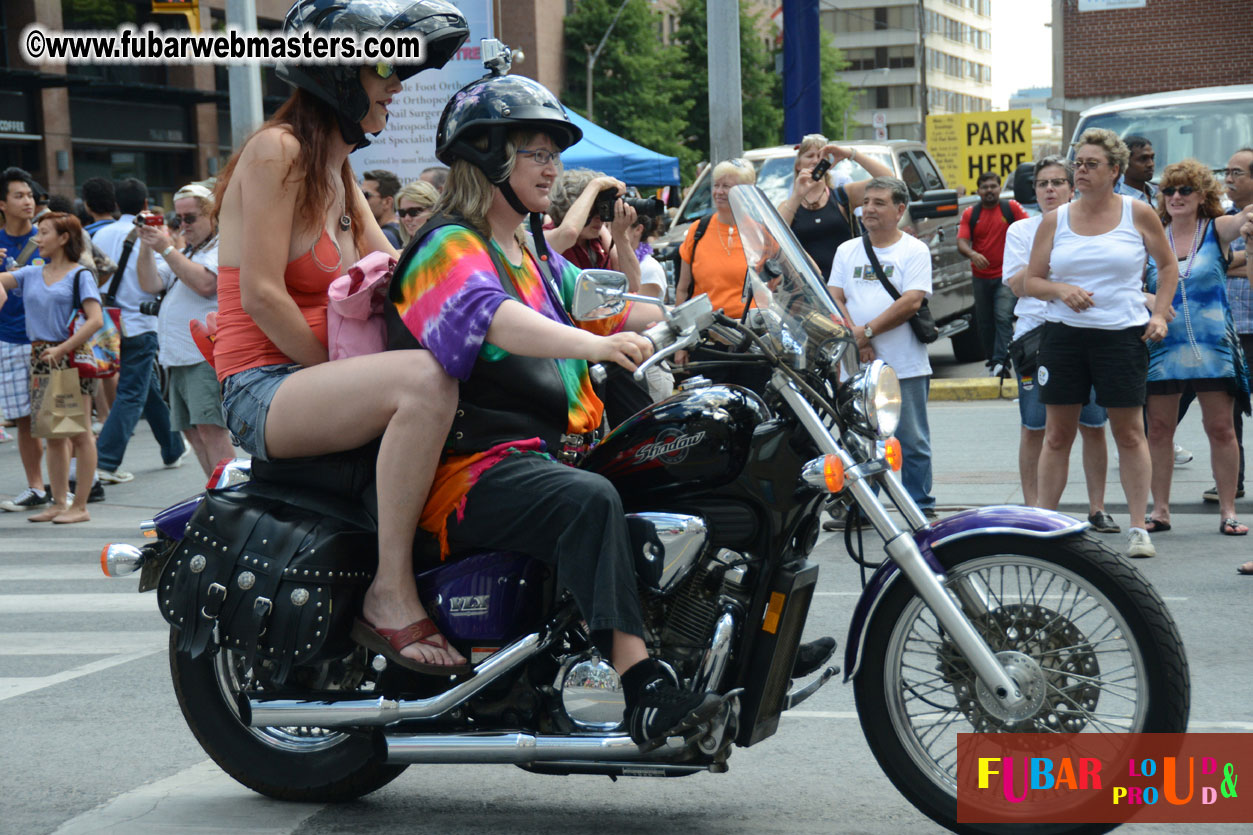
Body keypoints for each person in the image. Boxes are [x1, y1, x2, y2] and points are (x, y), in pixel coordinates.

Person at [390, 69, 726, 745]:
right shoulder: (447, 244)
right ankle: (642, 687)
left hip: (540, 453)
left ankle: (722, 647)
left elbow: (603, 305)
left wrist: (702, 316)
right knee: (591, 498)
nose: (555, 168)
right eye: (538, 153)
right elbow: (494, 320)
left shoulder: (531, 252)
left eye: (555, 153)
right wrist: (597, 348)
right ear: (487, 154)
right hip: (472, 467)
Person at [210, 0, 469, 673]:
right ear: (336, 70)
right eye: (384, 67)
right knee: (424, 381)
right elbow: (261, 295)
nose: (397, 84)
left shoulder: (341, 172)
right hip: (266, 383)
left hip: (317, 378)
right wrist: (342, 366)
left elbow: (403, 272)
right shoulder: (278, 151)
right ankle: (388, 592)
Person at [1024, 128, 1178, 559]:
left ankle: (1136, 527)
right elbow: (1031, 281)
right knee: (1057, 434)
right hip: (1063, 338)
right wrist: (1061, 289)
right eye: (1078, 164)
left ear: (1115, 171)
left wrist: (1160, 314)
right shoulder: (1055, 219)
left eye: (1091, 164)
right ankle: (1044, 526)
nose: (1081, 171)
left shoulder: (1138, 212)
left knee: (1129, 432)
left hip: (1121, 335)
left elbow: (1167, 268)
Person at [1003, 156, 1117, 533]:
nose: (1049, 190)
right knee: (1035, 427)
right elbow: (1017, 284)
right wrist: (1058, 266)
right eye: (1042, 184)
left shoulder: (1092, 227)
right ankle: (1034, 510)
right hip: (1035, 337)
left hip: (1090, 331)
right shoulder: (1021, 231)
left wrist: (1046, 269)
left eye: (1057, 183)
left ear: (1072, 187)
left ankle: (1097, 507)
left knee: (1093, 423)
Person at [1141, 160, 1252, 537]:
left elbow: (1242, 220)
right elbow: (1127, 281)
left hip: (1214, 345)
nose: (1175, 197)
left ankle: (1228, 511)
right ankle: (1160, 510)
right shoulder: (1153, 234)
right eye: (1169, 191)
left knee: (1221, 427)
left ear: (1202, 196)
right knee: (1158, 430)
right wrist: (1147, 300)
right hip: (1163, 347)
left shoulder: (1216, 229)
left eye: (1185, 190)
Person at [828, 176, 936, 518]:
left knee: (912, 439)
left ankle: (919, 506)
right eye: (867, 202)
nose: (869, 209)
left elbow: (911, 302)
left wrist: (867, 332)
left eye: (879, 203)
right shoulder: (847, 250)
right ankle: (864, 508)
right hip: (856, 363)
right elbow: (834, 297)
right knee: (859, 439)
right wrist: (856, 340)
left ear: (900, 210)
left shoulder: (913, 250)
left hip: (904, 364)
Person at [0, 212, 101, 523]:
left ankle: (80, 505)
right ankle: (59, 502)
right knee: (53, 434)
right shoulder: (31, 273)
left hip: (69, 356)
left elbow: (95, 320)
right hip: (41, 356)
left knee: (80, 432)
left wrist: (62, 348)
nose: (38, 239)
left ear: (64, 238)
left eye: (44, 233)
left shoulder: (80, 275)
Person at [136, 182, 234, 477]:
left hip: (201, 356)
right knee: (193, 432)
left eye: (190, 218)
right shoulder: (190, 251)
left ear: (213, 215)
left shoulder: (223, 246)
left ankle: (232, 498)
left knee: (211, 431)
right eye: (178, 219)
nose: (183, 225)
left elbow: (205, 284)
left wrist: (164, 246)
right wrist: (145, 245)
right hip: (180, 357)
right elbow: (150, 284)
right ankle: (215, 495)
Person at [92, 177, 187, 482]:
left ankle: (172, 447)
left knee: (146, 390)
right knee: (133, 390)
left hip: (106, 322)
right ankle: (106, 459)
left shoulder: (99, 234)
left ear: (116, 204)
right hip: (141, 322)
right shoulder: (153, 235)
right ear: (146, 204)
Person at [1193, 147, 1253, 505]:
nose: (1227, 179)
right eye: (1226, 171)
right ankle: (1234, 481)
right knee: (1229, 410)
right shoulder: (1222, 220)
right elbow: (1211, 260)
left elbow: (1222, 262)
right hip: (1228, 329)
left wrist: (1228, 262)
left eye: (1237, 173)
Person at [0, 167, 50, 512]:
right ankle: (36, 486)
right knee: (24, 418)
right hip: (8, 338)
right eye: (19, 195)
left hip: (49, 339)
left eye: (30, 195)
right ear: (2, 203)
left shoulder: (47, 237)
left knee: (56, 414)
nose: (27, 201)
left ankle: (69, 486)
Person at [776, 134, 893, 276]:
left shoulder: (843, 196)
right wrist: (798, 194)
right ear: (798, 164)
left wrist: (851, 154)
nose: (815, 161)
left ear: (828, 164)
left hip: (846, 285)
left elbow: (888, 181)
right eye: (809, 156)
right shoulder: (788, 205)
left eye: (820, 156)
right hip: (810, 290)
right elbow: (775, 237)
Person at [957, 171, 1029, 377]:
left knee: (1003, 317)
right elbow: (961, 241)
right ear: (978, 191)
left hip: (1005, 277)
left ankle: (1001, 362)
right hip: (980, 277)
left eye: (993, 186)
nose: (989, 190)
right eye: (985, 187)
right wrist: (973, 254)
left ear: (1000, 188)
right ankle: (993, 360)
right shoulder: (971, 213)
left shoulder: (1011, 208)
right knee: (985, 321)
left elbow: (1028, 228)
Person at [625, 211, 673, 401]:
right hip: (632, 364)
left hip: (647, 369)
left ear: (638, 230)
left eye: (621, 228)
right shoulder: (622, 261)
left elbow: (636, 318)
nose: (611, 231)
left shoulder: (649, 268)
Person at [361, 168, 403, 248]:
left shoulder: (384, 236)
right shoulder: (402, 229)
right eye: (360, 195)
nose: (361, 201)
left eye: (365, 195)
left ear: (387, 202)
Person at [1115, 136, 1158, 206]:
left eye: (1152, 158)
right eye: (1143, 159)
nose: (1151, 164)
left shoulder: (1162, 193)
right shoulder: (1121, 204)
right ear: (1125, 163)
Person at [394, 180, 439, 245]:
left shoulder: (448, 245)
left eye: (413, 211)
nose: (407, 218)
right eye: (402, 213)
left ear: (434, 209)